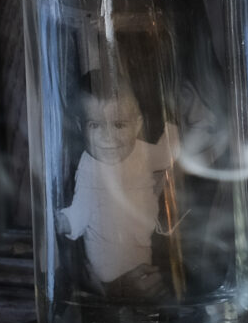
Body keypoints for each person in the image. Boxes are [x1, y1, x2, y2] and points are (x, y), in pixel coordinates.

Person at [57, 77, 177, 297]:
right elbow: (81, 207)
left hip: (141, 251)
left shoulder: (142, 151)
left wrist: (176, 129)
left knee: (150, 288)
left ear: (137, 125)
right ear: (81, 128)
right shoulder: (89, 166)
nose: (108, 137)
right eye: (95, 125)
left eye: (119, 125)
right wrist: (63, 221)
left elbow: (166, 154)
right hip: (106, 262)